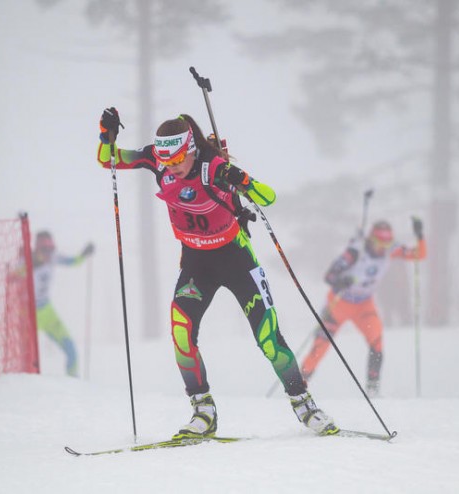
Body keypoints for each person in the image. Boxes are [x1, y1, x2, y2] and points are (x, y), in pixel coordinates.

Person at [96, 107, 339, 438]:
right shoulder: (159, 160)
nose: (172, 166)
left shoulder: (214, 168)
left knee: (268, 340)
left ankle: (304, 404)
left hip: (236, 260)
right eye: (166, 161)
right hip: (197, 265)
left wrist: (242, 180)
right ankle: (204, 411)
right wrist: (105, 133)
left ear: (191, 149)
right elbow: (108, 159)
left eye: (178, 159)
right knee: (181, 333)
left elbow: (267, 197)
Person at [300, 219, 427, 397]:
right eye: (379, 243)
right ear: (371, 240)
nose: (383, 248)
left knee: (376, 340)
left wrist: (420, 236)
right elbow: (329, 276)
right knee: (320, 346)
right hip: (339, 304)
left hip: (363, 306)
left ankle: (372, 390)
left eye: (387, 243)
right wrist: (341, 280)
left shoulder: (391, 250)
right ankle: (298, 386)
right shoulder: (355, 252)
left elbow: (418, 255)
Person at [32, 230, 94, 377]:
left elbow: (72, 261)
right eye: (44, 250)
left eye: (50, 249)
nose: (48, 254)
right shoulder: (26, 262)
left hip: (47, 312)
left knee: (71, 350)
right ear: (37, 249)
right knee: (27, 359)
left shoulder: (53, 258)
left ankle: (74, 386)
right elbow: (11, 277)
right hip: (27, 314)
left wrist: (84, 254)